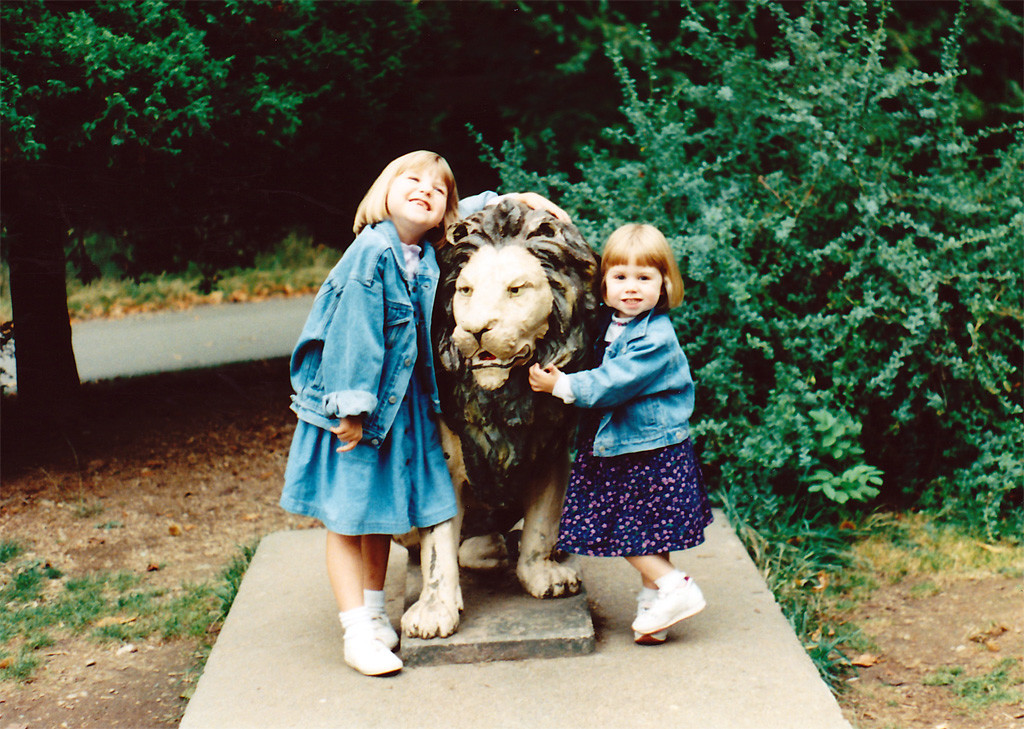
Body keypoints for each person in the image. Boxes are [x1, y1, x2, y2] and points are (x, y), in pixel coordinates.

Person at [281, 150, 568, 676]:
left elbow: (475, 214)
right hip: (356, 410)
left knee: (376, 516)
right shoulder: (372, 253)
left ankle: (372, 612)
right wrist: (349, 407)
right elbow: (353, 333)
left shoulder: (427, 256)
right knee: (348, 520)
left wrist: (515, 200)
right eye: (410, 180)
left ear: (447, 209)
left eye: (438, 188)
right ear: (382, 193)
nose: (425, 190)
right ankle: (356, 629)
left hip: (396, 412)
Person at [529, 223, 713, 645]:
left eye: (645, 278)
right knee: (652, 531)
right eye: (621, 277)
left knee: (621, 528)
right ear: (604, 284)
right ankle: (655, 607)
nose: (631, 288)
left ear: (665, 284)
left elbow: (614, 381)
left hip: (645, 452)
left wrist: (562, 386)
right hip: (625, 445)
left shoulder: (655, 338)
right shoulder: (613, 324)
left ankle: (675, 588)